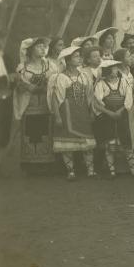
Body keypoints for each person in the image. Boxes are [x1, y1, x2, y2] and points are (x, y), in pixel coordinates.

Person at [47, 46, 97, 181]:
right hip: (67, 113)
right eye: (76, 56)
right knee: (67, 144)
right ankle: (71, 171)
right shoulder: (61, 78)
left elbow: (90, 96)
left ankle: (90, 170)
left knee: (87, 141)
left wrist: (91, 112)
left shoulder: (85, 76)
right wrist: (57, 116)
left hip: (82, 113)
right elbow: (56, 99)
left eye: (80, 56)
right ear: (68, 61)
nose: (80, 58)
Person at [13, 37, 59, 173]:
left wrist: (47, 85)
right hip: (30, 106)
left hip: (46, 105)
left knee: (46, 132)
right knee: (31, 133)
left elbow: (56, 82)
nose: (42, 48)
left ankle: (46, 163)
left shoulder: (51, 66)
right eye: (38, 46)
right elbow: (19, 85)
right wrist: (28, 87)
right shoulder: (23, 68)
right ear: (30, 50)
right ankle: (30, 164)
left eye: (43, 46)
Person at [93, 60, 134, 179]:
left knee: (126, 142)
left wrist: (119, 112)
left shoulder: (123, 82)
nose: (116, 71)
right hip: (107, 118)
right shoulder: (101, 84)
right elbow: (97, 102)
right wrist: (109, 113)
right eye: (113, 69)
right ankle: (112, 170)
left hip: (122, 116)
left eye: (115, 68)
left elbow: (128, 100)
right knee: (110, 143)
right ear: (107, 71)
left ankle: (133, 169)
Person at [0, 33, 17, 178]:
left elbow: (10, 71)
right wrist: (8, 78)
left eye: (2, 39)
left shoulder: (3, 55)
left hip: (4, 96)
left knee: (3, 129)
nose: (1, 42)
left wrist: (12, 78)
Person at [113, 49, 134, 158]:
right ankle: (121, 160)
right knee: (122, 131)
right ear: (121, 59)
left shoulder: (133, 70)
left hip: (133, 104)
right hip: (121, 104)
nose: (131, 58)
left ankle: (133, 158)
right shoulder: (116, 71)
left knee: (133, 130)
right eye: (128, 56)